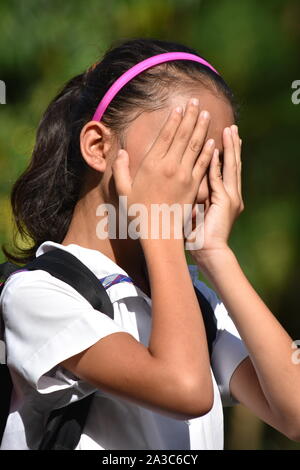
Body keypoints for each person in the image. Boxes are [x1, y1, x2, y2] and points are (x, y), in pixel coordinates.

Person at [1, 38, 299, 450]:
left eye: (213, 165)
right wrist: (160, 226)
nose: (195, 182)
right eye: (180, 152)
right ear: (98, 147)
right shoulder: (39, 294)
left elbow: (296, 414)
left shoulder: (197, 305)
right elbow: (185, 389)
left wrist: (214, 253)